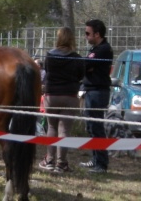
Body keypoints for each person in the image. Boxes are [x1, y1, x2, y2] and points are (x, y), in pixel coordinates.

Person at [39, 27, 85, 174]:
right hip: (69, 96)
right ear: (72, 39)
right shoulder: (77, 57)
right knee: (64, 130)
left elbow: (47, 71)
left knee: (51, 128)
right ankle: (61, 163)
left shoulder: (49, 56)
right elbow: (80, 75)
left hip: (51, 95)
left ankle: (50, 160)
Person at [80, 19, 113, 174]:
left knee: (97, 127)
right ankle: (95, 159)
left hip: (98, 92)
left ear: (97, 34)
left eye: (88, 33)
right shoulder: (95, 49)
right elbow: (86, 67)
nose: (85, 36)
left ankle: (102, 164)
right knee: (90, 127)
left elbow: (86, 65)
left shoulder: (104, 49)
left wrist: (88, 67)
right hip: (90, 90)